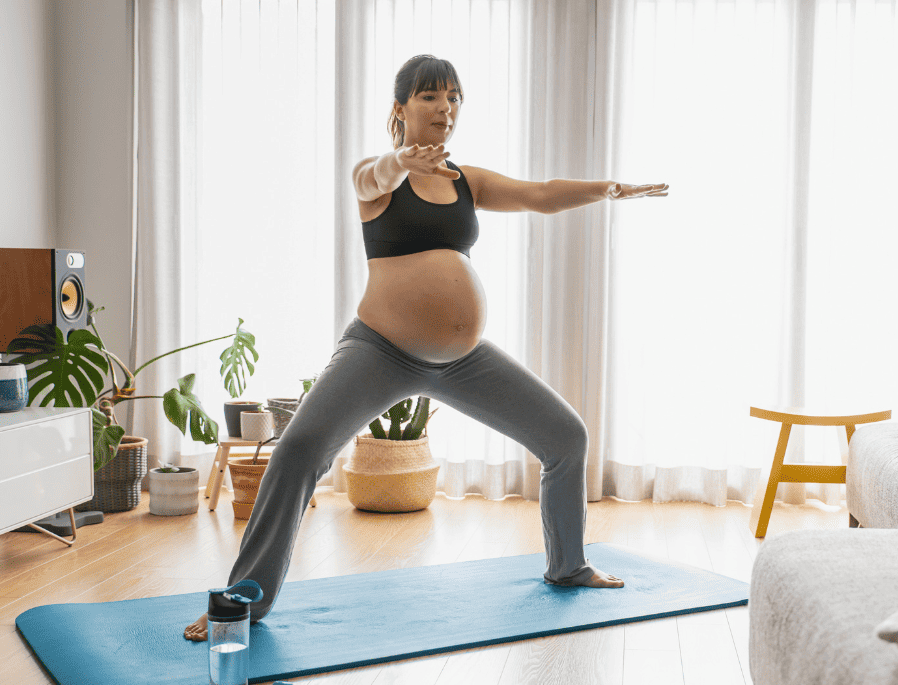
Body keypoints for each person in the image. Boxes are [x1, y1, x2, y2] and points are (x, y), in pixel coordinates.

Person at [185, 54, 668, 641]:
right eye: (430, 97)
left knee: (566, 437)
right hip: (379, 351)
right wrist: (398, 161)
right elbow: (372, 180)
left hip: (463, 360)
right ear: (400, 109)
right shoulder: (376, 174)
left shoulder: (465, 180)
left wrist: (611, 189)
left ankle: (568, 566)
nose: (445, 108)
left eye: (454, 98)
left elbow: (539, 193)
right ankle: (243, 600)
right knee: (299, 451)